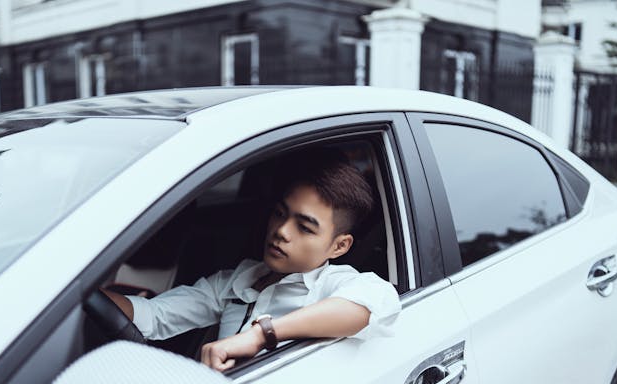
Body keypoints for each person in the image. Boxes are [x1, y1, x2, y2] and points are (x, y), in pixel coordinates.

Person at [103, 148, 401, 372]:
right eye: (280, 214)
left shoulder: (333, 284)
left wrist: (260, 335)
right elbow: (154, 316)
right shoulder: (238, 280)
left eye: (305, 227)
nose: (281, 232)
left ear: (339, 246)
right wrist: (81, 294)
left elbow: (371, 306)